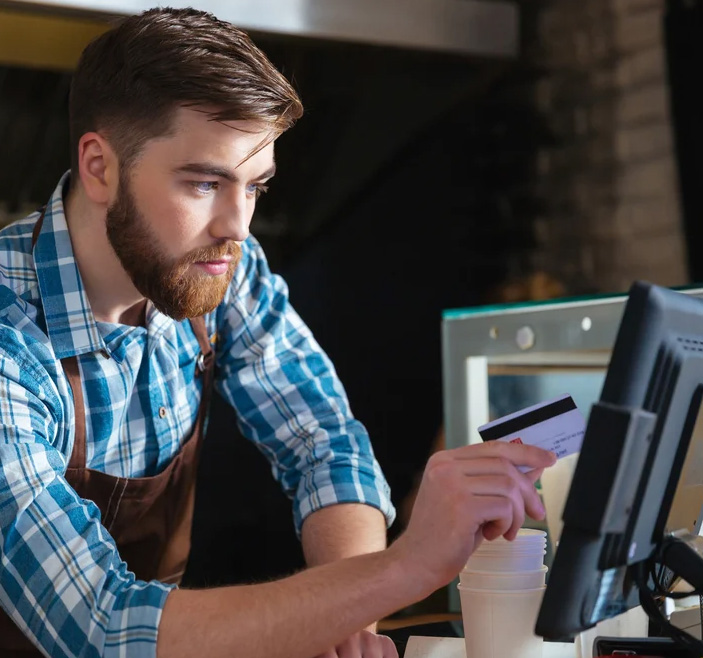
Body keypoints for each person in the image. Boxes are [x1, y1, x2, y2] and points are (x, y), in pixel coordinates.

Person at [0, 7, 556, 658]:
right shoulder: (12, 339)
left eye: (255, 187)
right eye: (205, 182)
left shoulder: (220, 269)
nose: (237, 226)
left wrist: (348, 619)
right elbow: (105, 627)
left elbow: (325, 445)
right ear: (100, 167)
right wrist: (400, 570)